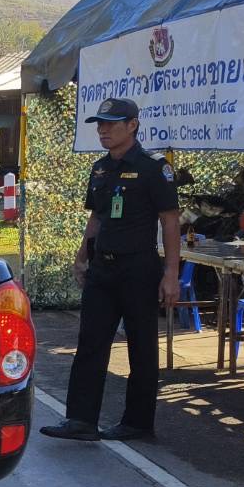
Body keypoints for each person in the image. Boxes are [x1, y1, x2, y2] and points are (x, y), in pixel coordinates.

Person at [42, 98, 181, 442]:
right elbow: (97, 217)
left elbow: (170, 221)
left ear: (132, 125)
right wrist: (81, 256)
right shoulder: (101, 169)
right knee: (90, 342)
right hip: (102, 268)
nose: (103, 130)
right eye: (100, 124)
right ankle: (80, 420)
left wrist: (171, 274)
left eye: (111, 123)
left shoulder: (154, 168)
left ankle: (138, 423)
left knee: (141, 346)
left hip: (138, 268)